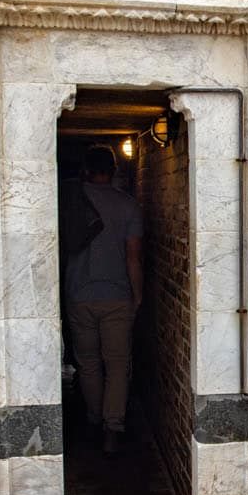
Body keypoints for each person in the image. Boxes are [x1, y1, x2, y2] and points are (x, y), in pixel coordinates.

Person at [63, 145, 144, 454]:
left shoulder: (69, 201)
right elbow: (133, 258)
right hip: (118, 296)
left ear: (86, 169)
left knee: (89, 364)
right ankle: (113, 427)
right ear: (113, 170)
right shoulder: (129, 207)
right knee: (118, 365)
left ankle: (94, 418)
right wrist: (137, 296)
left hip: (78, 294)